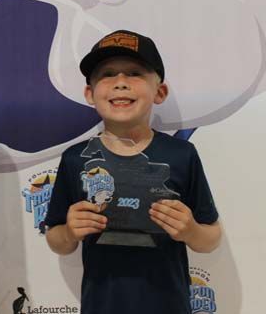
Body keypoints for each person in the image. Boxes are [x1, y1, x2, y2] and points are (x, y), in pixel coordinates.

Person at [42, 30, 221, 314]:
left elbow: (211, 238)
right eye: (107, 74)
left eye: (135, 73)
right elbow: (57, 240)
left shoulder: (181, 154)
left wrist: (190, 230)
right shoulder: (75, 159)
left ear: (159, 91)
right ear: (90, 93)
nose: (121, 83)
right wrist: (70, 232)